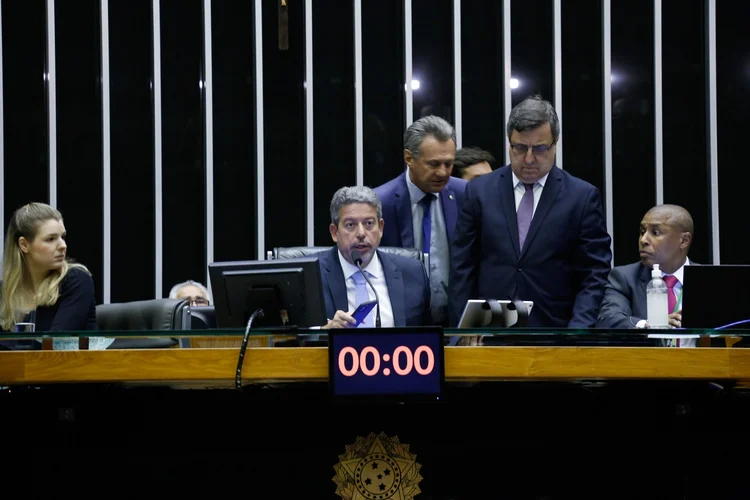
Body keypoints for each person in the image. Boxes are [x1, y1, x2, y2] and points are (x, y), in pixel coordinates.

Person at [449, 95, 612, 328]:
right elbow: (462, 268)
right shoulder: (479, 191)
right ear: (509, 142)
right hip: (489, 332)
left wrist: (578, 330)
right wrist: (462, 330)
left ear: (555, 142)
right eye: (520, 147)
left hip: (556, 332)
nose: (528, 158)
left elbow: (594, 273)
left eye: (540, 148)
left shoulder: (581, 197)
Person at [373, 115, 467, 325]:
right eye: (433, 164)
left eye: (448, 163)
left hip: (455, 324)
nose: (442, 172)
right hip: (402, 325)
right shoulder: (381, 203)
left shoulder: (465, 195)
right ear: (409, 158)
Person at [319, 186, 430, 329]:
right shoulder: (311, 275)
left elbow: (428, 339)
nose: (361, 233)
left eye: (369, 224)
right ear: (334, 232)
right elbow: (292, 338)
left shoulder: (413, 273)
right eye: (350, 225)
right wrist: (323, 332)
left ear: (381, 228)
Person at [0, 203, 107, 349]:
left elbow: (53, 346)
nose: (63, 245)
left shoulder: (76, 280)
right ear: (24, 245)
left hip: (71, 370)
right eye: (50, 239)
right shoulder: (3, 292)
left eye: (62, 237)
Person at [596, 205, 695, 346]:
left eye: (655, 232)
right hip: (645, 365)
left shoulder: (709, 280)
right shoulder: (624, 278)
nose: (643, 240)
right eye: (642, 232)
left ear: (684, 240)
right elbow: (608, 320)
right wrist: (648, 325)